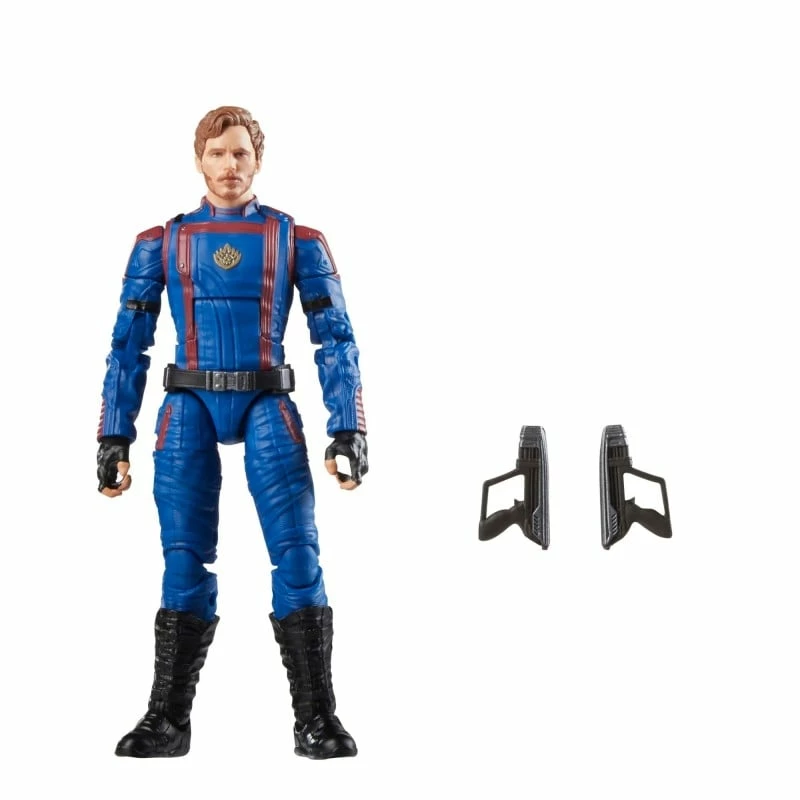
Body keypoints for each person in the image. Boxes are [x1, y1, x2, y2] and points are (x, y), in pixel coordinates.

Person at [96, 106, 367, 760]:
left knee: (297, 555)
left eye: (240, 152)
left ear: (258, 159)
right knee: (183, 559)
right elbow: (127, 344)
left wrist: (349, 428)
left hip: (267, 400)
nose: (229, 165)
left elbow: (335, 340)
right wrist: (113, 435)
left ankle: (317, 719)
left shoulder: (295, 240)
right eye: (217, 153)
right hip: (188, 403)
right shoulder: (162, 242)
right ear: (199, 159)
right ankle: (167, 720)